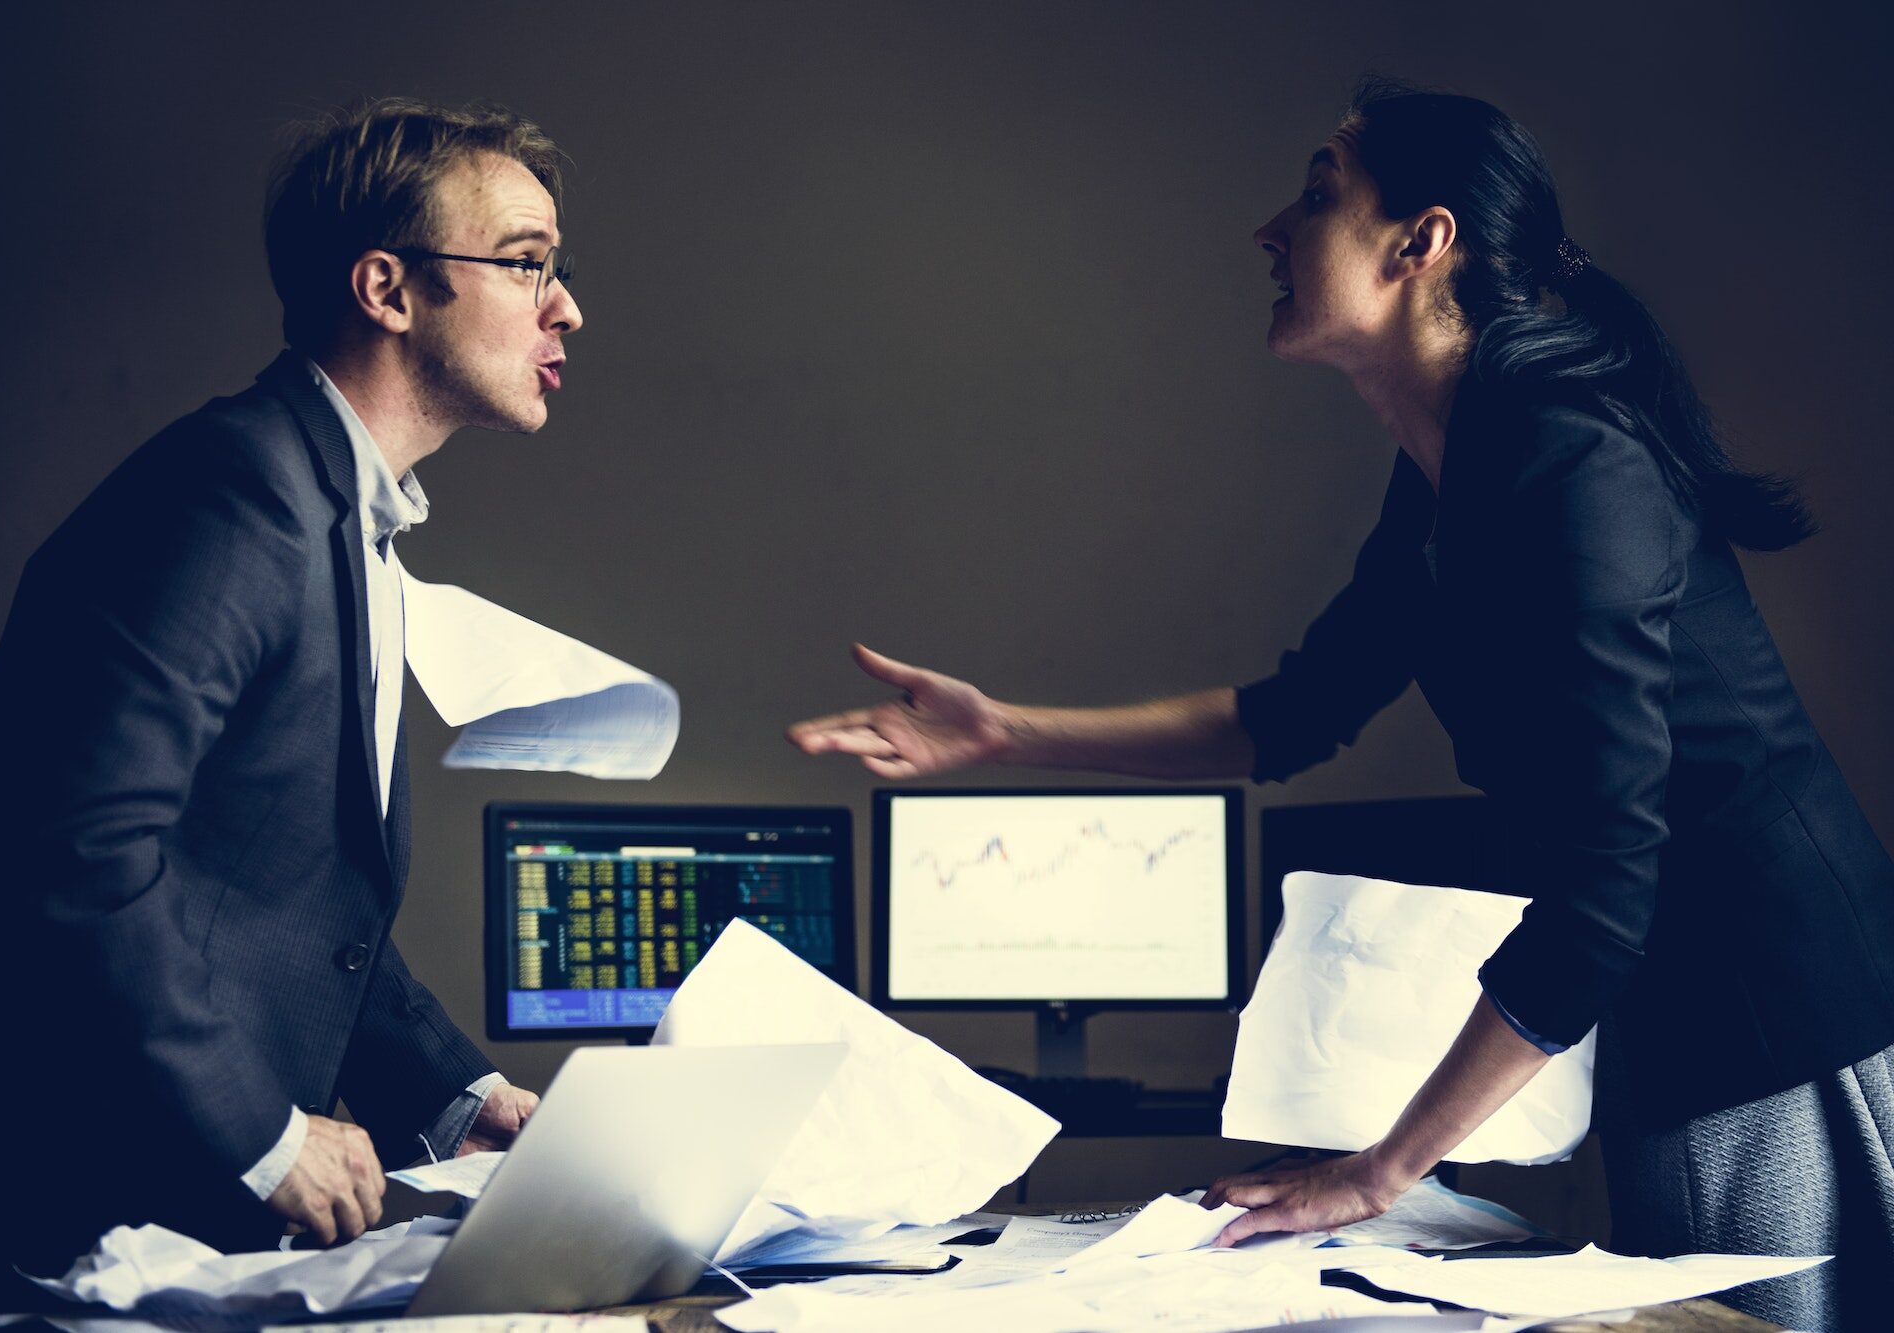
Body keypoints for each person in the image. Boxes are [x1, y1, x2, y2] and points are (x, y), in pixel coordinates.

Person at [789, 80, 1894, 1332]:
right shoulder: (1444, 467)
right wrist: (1004, 731)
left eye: (1316, 196)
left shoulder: (1572, 460)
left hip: (1773, 1012)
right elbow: (1288, 717)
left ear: (1419, 244)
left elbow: (1606, 886)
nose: (1269, 229)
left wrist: (1376, 1172)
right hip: (1671, 1013)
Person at [0, 98, 581, 1319]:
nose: (564, 304)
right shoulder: (227, 497)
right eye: (526, 263)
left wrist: (460, 1096)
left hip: (164, 1224)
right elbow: (71, 852)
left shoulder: (344, 522)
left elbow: (287, 903)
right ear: (387, 288)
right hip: (47, 1221)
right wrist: (263, 1134)